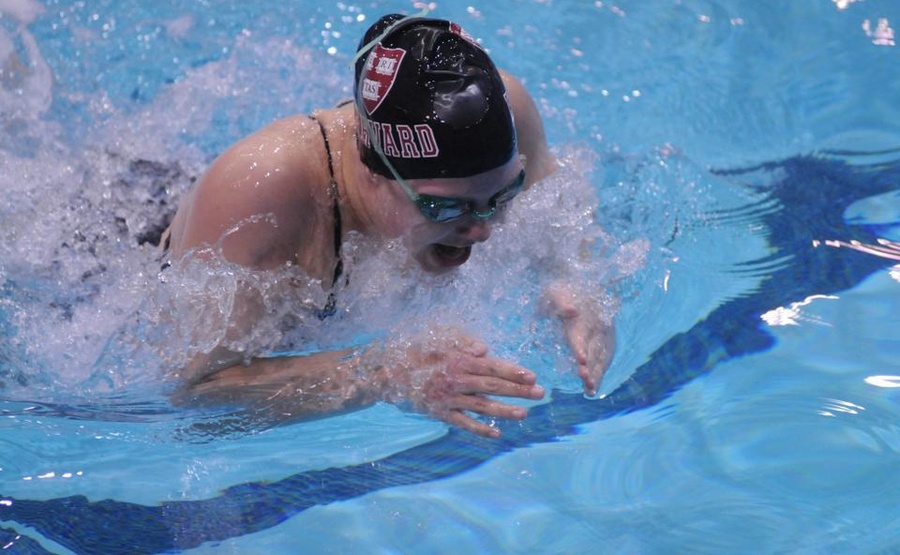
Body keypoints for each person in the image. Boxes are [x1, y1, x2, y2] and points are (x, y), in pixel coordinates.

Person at [161, 13, 614, 438]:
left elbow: (568, 221)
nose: (482, 230)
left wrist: (580, 286)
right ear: (374, 173)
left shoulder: (505, 109)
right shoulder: (260, 197)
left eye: (502, 195)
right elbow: (194, 393)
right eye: (444, 208)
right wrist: (382, 375)